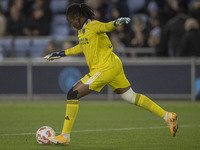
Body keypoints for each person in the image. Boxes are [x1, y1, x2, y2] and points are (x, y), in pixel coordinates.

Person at [44, 3, 178, 146]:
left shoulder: (93, 25)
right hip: (113, 64)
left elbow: (106, 26)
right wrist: (61, 53)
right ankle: (168, 116)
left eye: (72, 21)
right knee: (130, 97)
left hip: (104, 68)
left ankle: (65, 136)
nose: (71, 25)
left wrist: (116, 22)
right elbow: (82, 47)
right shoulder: (81, 31)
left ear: (79, 17)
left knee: (72, 94)